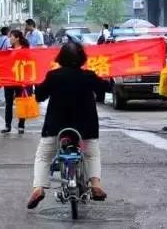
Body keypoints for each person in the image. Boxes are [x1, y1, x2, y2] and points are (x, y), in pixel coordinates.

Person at [27, 42, 110, 209]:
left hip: (56, 129)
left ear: (60, 58)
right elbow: (107, 88)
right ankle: (95, 184)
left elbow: (39, 96)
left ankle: (38, 187)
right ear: (82, 58)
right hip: (85, 131)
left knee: (43, 156)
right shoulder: (88, 76)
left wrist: (38, 88)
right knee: (91, 155)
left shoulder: (53, 76)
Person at [2, 30, 31, 134]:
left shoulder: (25, 50)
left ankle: (21, 126)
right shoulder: (8, 50)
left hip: (21, 80)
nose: (10, 39)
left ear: (17, 38)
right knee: (8, 103)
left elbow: (28, 64)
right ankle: (7, 126)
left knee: (21, 103)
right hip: (9, 80)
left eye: (11, 37)